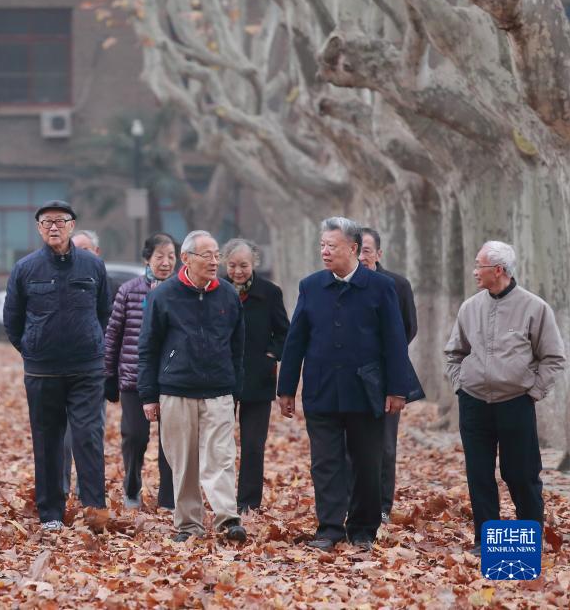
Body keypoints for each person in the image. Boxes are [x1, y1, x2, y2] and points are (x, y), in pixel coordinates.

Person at [277, 217, 409, 551]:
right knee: (325, 463)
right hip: (322, 389)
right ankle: (330, 527)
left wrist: (397, 389)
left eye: (331, 246)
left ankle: (364, 527)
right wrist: (286, 388)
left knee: (367, 461)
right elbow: (296, 340)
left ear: (352, 248)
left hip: (366, 391)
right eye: (322, 245)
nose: (324, 251)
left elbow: (394, 341)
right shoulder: (311, 286)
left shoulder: (380, 287)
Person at [444, 241, 566, 556]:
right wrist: (461, 384)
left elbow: (553, 357)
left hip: (516, 404)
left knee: (521, 474)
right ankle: (485, 542)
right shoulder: (469, 307)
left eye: (479, 266)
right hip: (473, 404)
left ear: (498, 270)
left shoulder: (535, 308)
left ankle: (530, 540)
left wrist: (533, 392)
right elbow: (454, 353)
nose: (474, 272)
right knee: (479, 473)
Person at [3, 200, 111, 531]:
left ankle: (94, 507)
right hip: (42, 369)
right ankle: (51, 512)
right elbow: (12, 319)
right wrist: (33, 346)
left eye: (60, 221)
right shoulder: (25, 268)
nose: (54, 226)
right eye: (46, 222)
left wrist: (90, 341)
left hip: (86, 368)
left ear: (72, 226)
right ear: (38, 228)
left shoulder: (92, 266)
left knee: (88, 436)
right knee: (47, 439)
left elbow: (103, 312)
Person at [137, 230, 247, 543]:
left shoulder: (228, 295)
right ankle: (188, 524)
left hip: (218, 390)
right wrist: (148, 395)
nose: (215, 261)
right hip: (176, 390)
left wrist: (235, 389)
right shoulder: (162, 296)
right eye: (207, 255)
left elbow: (237, 347)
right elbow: (147, 348)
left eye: (217, 255)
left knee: (221, 457)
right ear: (186, 259)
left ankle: (228, 518)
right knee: (182, 463)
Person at [104, 232, 177, 511]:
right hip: (133, 377)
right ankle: (132, 486)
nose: (166, 262)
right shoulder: (129, 290)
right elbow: (113, 334)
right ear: (147, 259)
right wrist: (108, 375)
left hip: (171, 379)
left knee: (170, 442)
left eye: (171, 257)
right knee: (135, 436)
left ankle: (168, 498)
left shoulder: (180, 291)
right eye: (160, 256)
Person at [221, 238, 289, 514]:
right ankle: (222, 498)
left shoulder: (270, 293)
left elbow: (284, 332)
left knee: (252, 444)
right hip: (222, 377)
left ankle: (248, 502)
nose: (238, 271)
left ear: (255, 264)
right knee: (220, 444)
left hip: (258, 378)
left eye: (244, 266)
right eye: (233, 265)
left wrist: (271, 355)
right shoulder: (217, 290)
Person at [358, 227, 419, 523]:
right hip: (349, 376)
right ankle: (353, 502)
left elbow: (408, 328)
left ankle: (382, 505)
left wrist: (385, 358)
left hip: (385, 375)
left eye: (367, 250)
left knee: (385, 445)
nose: (362, 256)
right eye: (357, 249)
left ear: (379, 254)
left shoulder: (397, 285)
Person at [65, 228, 117, 498]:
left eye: (86, 249)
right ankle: (61, 488)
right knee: (62, 437)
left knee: (90, 434)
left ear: (97, 253)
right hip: (59, 369)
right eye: (76, 248)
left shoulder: (105, 282)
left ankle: (87, 491)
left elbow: (107, 320)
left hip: (93, 370)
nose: (79, 254)